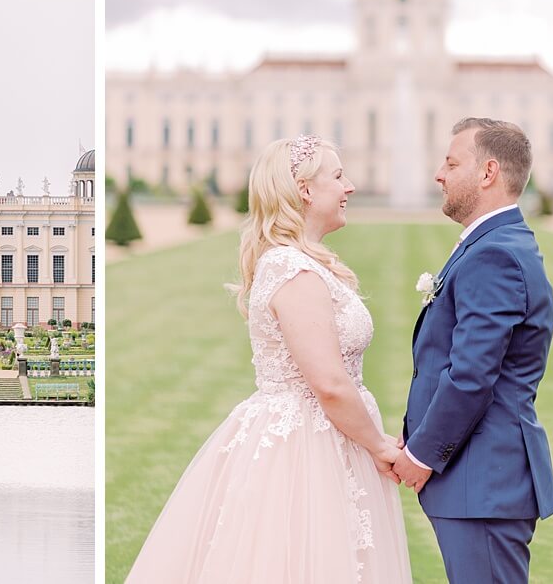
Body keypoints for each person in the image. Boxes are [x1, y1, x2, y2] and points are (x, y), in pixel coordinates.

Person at [127, 136, 411, 583]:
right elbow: (329, 384)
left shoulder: (303, 263)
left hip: (330, 438)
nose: (350, 187)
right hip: (304, 446)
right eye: (338, 176)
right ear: (304, 190)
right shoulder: (291, 269)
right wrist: (378, 445)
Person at [393, 118, 553, 583]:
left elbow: (471, 374)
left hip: (483, 481)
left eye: (450, 162)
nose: (438, 175)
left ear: (487, 172)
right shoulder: (494, 243)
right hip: (480, 480)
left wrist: (421, 454)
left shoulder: (495, 254)